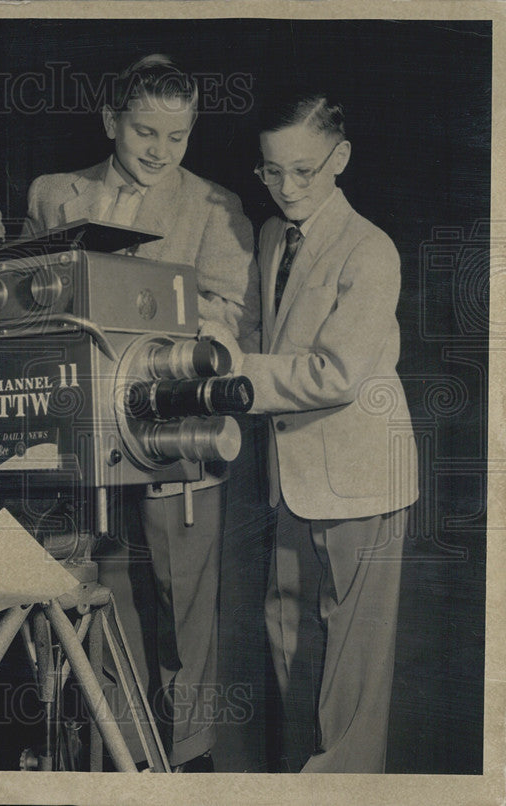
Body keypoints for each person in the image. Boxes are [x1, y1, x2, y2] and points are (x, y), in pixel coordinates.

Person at [24, 54, 260, 771]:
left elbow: (230, 320)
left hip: (170, 429)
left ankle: (189, 760)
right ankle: (117, 744)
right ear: (111, 121)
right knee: (96, 584)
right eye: (144, 132)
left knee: (182, 601)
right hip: (77, 434)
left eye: (177, 137)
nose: (160, 151)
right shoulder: (50, 194)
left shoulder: (218, 209)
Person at [205, 90, 419, 772]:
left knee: (353, 672)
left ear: (341, 159)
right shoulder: (271, 235)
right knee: (291, 644)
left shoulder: (370, 250)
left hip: (361, 476)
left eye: (304, 170)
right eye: (272, 171)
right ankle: (304, 781)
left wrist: (238, 371)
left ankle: (347, 787)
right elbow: (259, 333)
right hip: (292, 477)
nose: (287, 187)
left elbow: (334, 374)